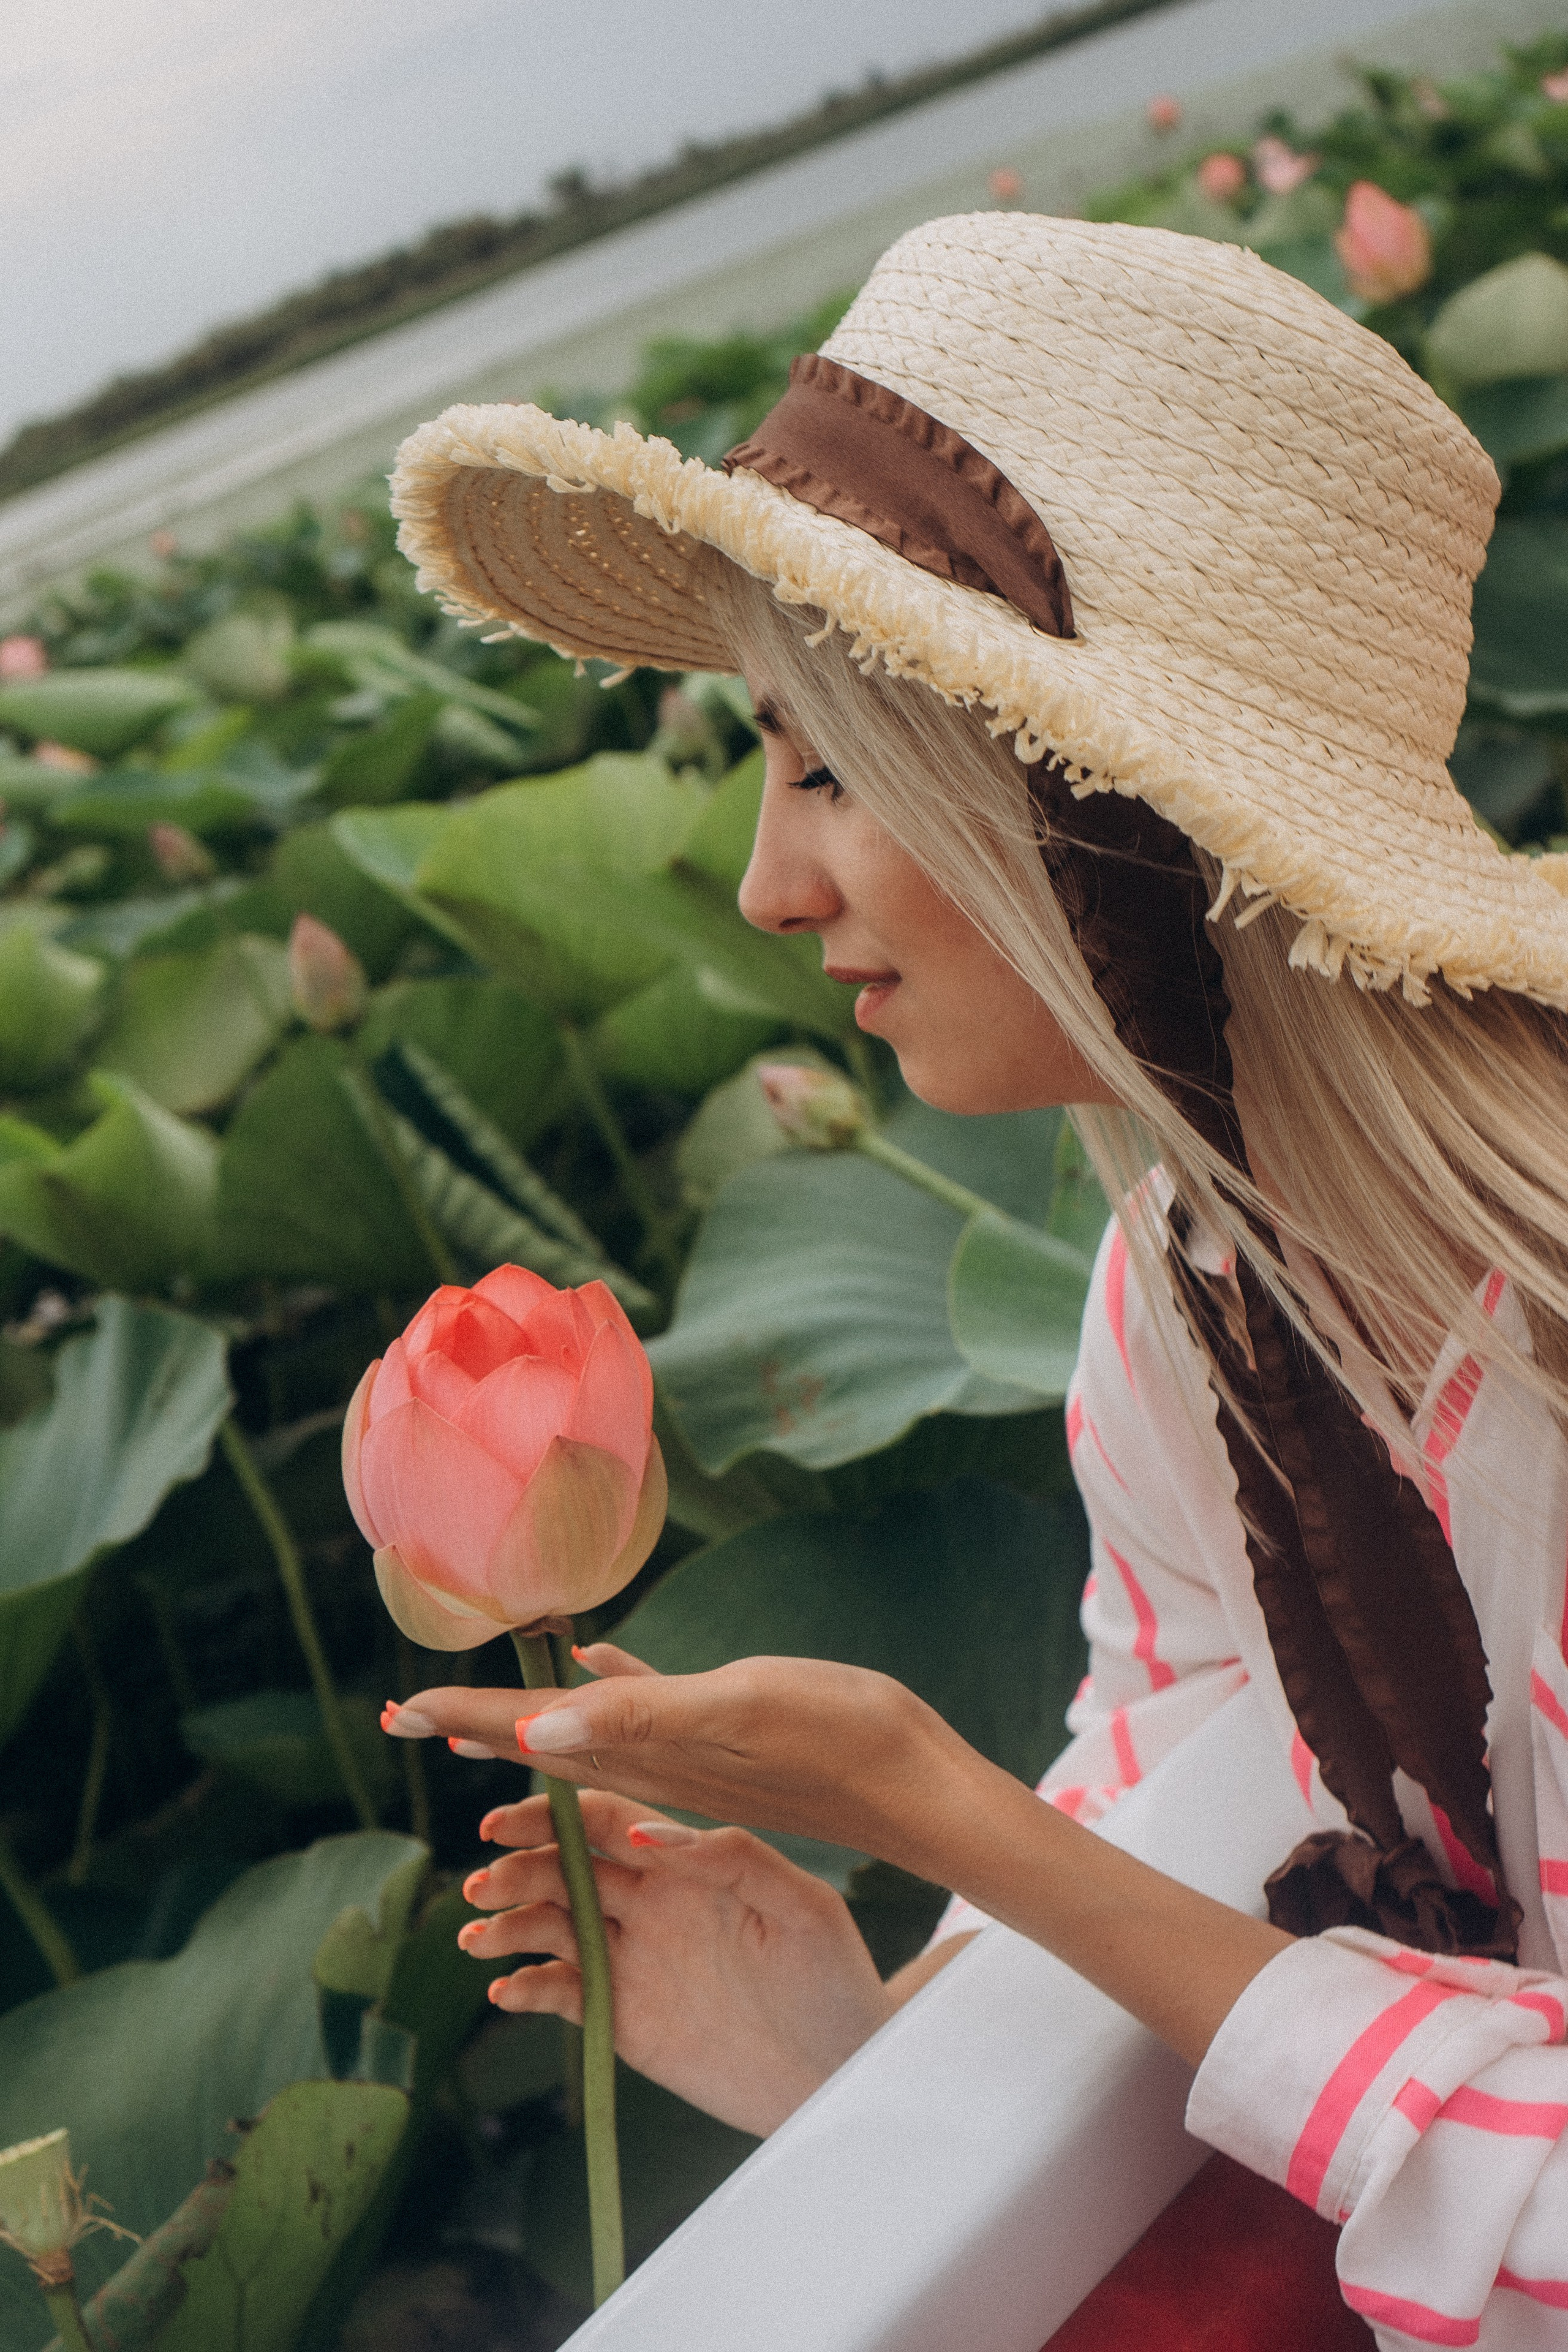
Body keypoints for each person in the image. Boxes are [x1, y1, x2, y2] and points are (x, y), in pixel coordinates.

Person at [379, 214, 1568, 2343]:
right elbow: (1170, 1781)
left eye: (828, 761)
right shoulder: (1184, 1298)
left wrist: (937, 1810)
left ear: (1109, 806)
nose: (765, 883)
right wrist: (857, 2034)